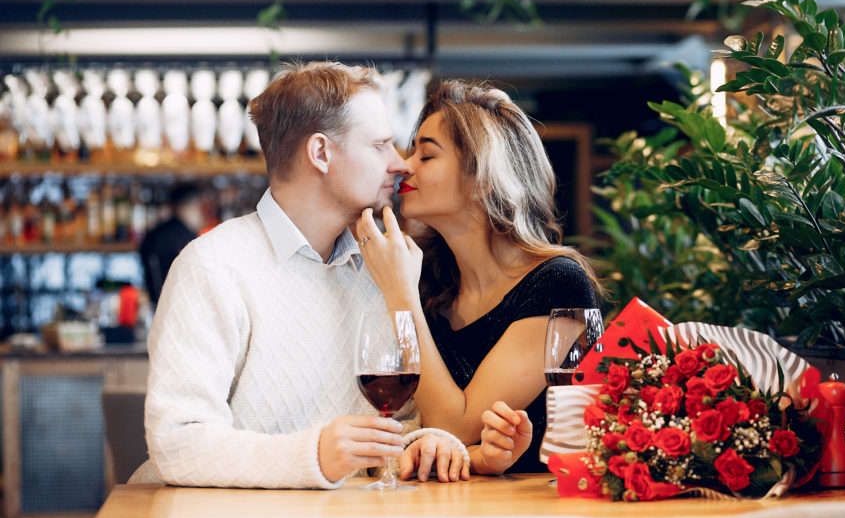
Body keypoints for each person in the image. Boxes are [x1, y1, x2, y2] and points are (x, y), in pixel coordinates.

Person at [142, 61, 469, 490]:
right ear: (320, 153)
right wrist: (314, 454)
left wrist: (422, 443)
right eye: (380, 145)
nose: (401, 164)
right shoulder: (212, 266)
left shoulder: (381, 268)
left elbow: (395, 423)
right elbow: (176, 444)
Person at [356, 79, 603, 474]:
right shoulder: (433, 283)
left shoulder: (559, 284)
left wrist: (399, 296)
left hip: (545, 512)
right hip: (450, 509)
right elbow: (424, 435)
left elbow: (454, 428)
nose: (404, 165)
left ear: (483, 177)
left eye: (427, 155)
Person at [138, 181, 205, 304]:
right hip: (182, 310)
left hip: (157, 309)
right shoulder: (188, 239)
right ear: (194, 206)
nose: (203, 216)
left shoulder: (153, 234)